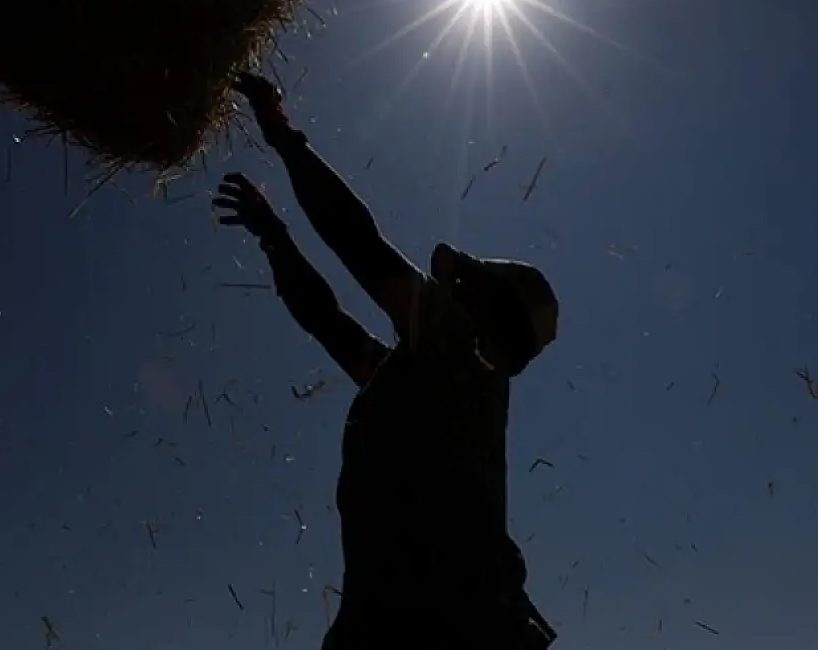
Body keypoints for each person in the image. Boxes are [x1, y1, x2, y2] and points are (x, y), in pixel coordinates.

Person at [212, 72, 560, 650]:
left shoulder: (460, 349)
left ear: (489, 308)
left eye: (464, 284)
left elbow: (358, 242)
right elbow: (331, 323)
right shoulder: (434, 387)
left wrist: (280, 134)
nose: (446, 290)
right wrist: (274, 235)